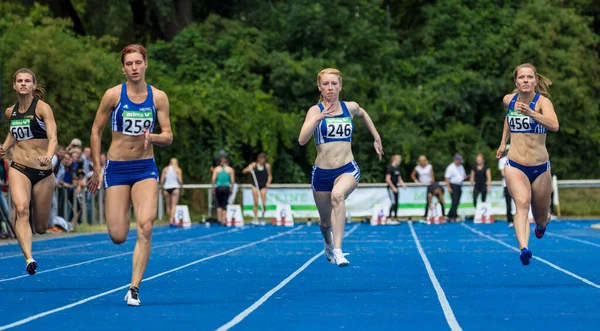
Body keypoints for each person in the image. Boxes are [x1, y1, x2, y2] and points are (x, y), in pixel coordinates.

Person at [87, 44, 173, 306]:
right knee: (119, 235)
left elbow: (168, 135)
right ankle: (119, 219)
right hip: (117, 167)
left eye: (138, 62)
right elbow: (95, 131)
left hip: (145, 168)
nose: (134, 68)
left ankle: (134, 288)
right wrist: (97, 168)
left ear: (146, 64)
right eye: (129, 64)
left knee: (146, 226)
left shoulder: (158, 97)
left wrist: (154, 137)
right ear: (123, 68)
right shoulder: (113, 95)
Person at [298, 68, 383, 267]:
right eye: (326, 84)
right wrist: (318, 119)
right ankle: (328, 244)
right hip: (321, 173)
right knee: (325, 222)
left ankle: (338, 250)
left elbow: (363, 113)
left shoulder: (349, 107)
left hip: (347, 168)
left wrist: (376, 137)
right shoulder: (314, 110)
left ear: (340, 86)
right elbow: (302, 140)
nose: (330, 88)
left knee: (338, 195)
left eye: (334, 84)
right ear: (319, 87)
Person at [496, 63, 559, 266]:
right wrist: (503, 142)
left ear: (535, 81)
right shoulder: (509, 100)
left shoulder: (543, 102)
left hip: (540, 167)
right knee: (522, 203)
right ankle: (524, 248)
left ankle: (542, 223)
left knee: (540, 217)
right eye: (521, 77)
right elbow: (509, 118)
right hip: (515, 164)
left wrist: (531, 113)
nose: (525, 80)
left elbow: (554, 125)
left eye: (529, 77)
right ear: (516, 81)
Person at [0, 68, 58, 275]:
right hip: (19, 167)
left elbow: (53, 138)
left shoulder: (43, 109)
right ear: (14, 85)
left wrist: (49, 157)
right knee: (21, 209)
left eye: (27, 81)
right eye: (19, 81)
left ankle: (36, 229)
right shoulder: (11, 112)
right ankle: (29, 258)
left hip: (43, 171)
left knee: (41, 226)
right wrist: (5, 147)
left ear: (34, 85)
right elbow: (13, 132)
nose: (23, 84)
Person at [242, 152, 272, 225]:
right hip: (255, 185)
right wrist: (249, 170)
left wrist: (268, 182)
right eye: (261, 158)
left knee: (263, 202)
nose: (262, 160)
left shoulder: (267, 166)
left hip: (263, 185)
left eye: (263, 159)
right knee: (255, 202)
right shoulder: (253, 165)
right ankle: (255, 218)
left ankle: (262, 217)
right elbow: (244, 171)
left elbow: (270, 175)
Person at [211, 156, 235, 225]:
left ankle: (219, 219)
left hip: (218, 187)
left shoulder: (216, 169)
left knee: (218, 204)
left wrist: (213, 188)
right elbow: (232, 181)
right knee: (224, 204)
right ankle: (224, 219)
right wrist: (232, 189)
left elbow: (213, 179)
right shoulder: (230, 169)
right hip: (226, 187)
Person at [160, 158, 183, 227]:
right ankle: (171, 220)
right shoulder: (178, 169)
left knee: (168, 205)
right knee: (173, 205)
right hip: (175, 187)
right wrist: (181, 188)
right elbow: (180, 180)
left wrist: (162, 188)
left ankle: (171, 219)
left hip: (166, 187)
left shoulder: (165, 169)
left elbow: (161, 180)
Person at [445, 154, 467, 222]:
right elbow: (447, 178)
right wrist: (448, 187)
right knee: (454, 201)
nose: (460, 162)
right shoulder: (450, 167)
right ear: (455, 160)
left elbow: (463, 175)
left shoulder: (461, 167)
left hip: (459, 185)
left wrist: (465, 177)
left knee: (457, 201)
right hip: (453, 185)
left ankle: (449, 216)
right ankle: (455, 216)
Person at [385, 154, 407, 220]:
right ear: (395, 160)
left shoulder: (397, 168)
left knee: (397, 202)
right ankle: (389, 216)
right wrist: (393, 187)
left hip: (396, 187)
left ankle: (395, 216)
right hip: (391, 188)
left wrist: (403, 184)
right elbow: (387, 179)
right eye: (399, 160)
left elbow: (399, 178)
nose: (400, 162)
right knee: (393, 202)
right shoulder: (390, 168)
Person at [498, 144, 514, 228]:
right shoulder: (502, 160)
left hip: (516, 184)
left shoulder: (517, 160)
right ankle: (510, 219)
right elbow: (502, 173)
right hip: (507, 184)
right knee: (508, 203)